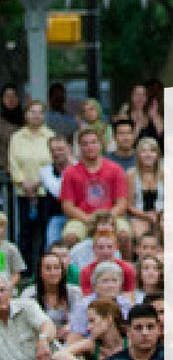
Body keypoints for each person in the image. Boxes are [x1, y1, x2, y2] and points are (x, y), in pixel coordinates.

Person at [60, 128, 130, 249]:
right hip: (81, 218)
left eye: (93, 142)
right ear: (80, 147)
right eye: (85, 144)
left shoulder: (116, 169)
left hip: (111, 216)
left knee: (124, 235)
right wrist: (88, 219)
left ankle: (127, 267)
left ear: (100, 144)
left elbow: (122, 203)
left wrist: (107, 219)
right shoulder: (70, 172)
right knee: (70, 237)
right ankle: (73, 268)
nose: (90, 147)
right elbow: (67, 206)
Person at [7, 99, 54, 269]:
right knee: (24, 232)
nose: (36, 115)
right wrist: (23, 182)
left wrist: (39, 181)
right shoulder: (17, 137)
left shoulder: (50, 135)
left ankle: (42, 268)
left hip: (44, 191)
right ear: (25, 114)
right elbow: (13, 162)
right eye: (32, 112)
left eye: (40, 112)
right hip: (23, 192)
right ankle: (24, 270)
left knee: (43, 231)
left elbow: (53, 161)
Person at [21, 250, 82, 343]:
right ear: (40, 272)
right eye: (48, 268)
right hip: (38, 340)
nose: (53, 272)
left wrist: (69, 327)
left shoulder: (74, 292)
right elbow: (25, 324)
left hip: (68, 340)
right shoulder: (29, 294)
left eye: (57, 268)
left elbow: (80, 319)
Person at [39, 136, 74, 246]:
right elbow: (58, 192)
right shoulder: (45, 171)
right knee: (52, 245)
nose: (56, 153)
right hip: (57, 215)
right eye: (52, 150)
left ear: (69, 149)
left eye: (60, 149)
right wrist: (69, 170)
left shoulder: (80, 166)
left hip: (78, 214)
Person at [126, 136, 164, 238]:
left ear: (157, 155)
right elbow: (129, 206)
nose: (148, 155)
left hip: (161, 215)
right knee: (141, 234)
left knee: (165, 228)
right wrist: (146, 216)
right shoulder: (131, 174)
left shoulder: (165, 174)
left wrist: (160, 215)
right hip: (139, 215)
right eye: (144, 151)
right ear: (138, 155)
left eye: (152, 151)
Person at [0, 211, 25, 289]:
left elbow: (17, 273)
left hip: (6, 290)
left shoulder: (11, 248)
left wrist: (9, 285)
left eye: (1, 226)